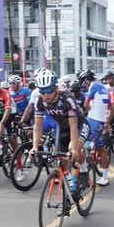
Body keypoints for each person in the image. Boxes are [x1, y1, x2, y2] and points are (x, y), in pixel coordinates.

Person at [29, 69, 90, 200]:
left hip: (79, 125)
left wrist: (74, 149)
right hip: (62, 127)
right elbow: (38, 125)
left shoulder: (67, 97)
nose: (45, 94)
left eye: (49, 90)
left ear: (56, 87)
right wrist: (34, 147)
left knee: (72, 150)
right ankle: (70, 190)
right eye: (42, 91)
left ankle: (84, 171)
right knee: (61, 160)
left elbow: (74, 126)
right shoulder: (40, 101)